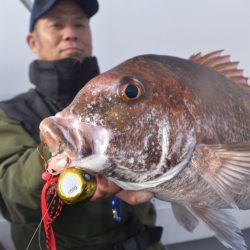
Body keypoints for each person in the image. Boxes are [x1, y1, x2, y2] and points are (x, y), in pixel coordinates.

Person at [0, 0, 164, 249]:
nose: (70, 34)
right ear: (33, 42)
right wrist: (59, 154)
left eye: (80, 24)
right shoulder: (9, 112)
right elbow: (10, 194)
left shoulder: (125, 98)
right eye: (56, 25)